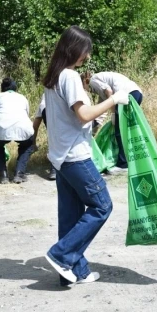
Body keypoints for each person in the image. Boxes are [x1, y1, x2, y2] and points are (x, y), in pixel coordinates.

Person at [43, 25, 127, 285]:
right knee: (102, 206)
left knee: (70, 216)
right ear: (74, 49)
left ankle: (74, 273)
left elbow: (74, 116)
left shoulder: (53, 77)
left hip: (60, 156)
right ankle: (60, 254)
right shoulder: (69, 77)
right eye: (85, 51)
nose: (87, 57)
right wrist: (114, 100)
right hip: (75, 156)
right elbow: (83, 115)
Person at [84, 71, 143, 171]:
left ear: (84, 81)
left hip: (127, 95)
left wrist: (113, 114)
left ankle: (123, 164)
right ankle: (133, 159)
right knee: (127, 130)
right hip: (137, 93)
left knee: (119, 130)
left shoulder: (93, 80)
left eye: (82, 87)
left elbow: (109, 93)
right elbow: (101, 111)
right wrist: (93, 130)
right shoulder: (99, 86)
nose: (85, 91)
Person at [0, 78, 34, 184]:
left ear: (2, 88)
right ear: (15, 88)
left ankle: (3, 175)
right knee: (27, 145)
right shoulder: (22, 97)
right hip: (23, 128)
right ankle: (19, 173)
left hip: (1, 129)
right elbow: (26, 115)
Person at [30, 94, 56, 180]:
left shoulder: (43, 102)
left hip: (52, 127)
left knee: (53, 141)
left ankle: (54, 170)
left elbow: (35, 126)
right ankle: (55, 169)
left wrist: (33, 143)